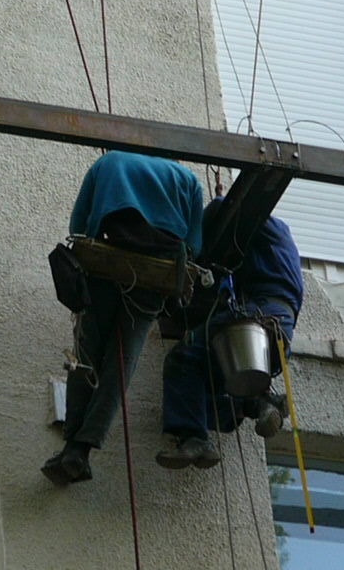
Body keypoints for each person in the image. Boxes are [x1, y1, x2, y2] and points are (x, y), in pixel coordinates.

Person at [42, 151, 204, 486]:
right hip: (152, 276)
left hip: (107, 263)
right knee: (121, 362)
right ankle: (84, 447)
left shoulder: (108, 162)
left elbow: (78, 226)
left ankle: (73, 444)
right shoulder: (187, 179)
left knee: (86, 357)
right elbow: (194, 245)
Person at [156, 199, 303, 470]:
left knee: (184, 357)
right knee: (209, 382)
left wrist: (191, 248)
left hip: (256, 313)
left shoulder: (254, 222)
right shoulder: (279, 238)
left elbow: (222, 206)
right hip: (280, 329)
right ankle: (257, 404)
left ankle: (194, 438)